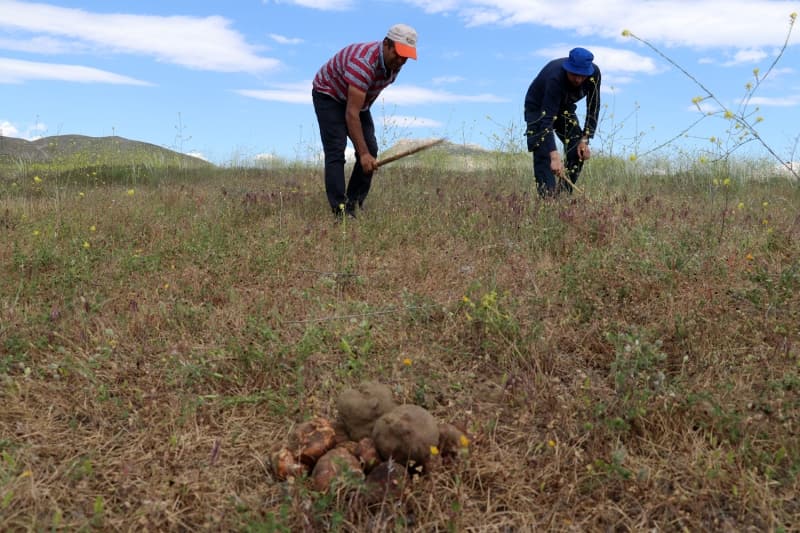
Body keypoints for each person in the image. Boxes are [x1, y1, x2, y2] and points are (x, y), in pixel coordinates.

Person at [312, 24, 418, 219]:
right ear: (386, 44)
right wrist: (362, 154)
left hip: (357, 99)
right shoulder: (363, 63)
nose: (402, 60)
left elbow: (364, 101)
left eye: (407, 56)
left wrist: (366, 152)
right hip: (329, 93)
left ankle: (353, 203)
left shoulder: (394, 65)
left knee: (371, 149)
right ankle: (340, 211)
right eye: (399, 53)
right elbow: (351, 114)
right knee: (336, 149)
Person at [524, 47, 601, 197]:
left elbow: (594, 106)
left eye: (582, 75)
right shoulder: (555, 77)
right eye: (574, 74)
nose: (578, 80)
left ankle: (563, 198)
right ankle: (548, 201)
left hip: (564, 107)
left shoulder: (594, 75)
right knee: (544, 152)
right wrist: (554, 155)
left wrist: (585, 138)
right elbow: (546, 121)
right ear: (567, 68)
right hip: (538, 108)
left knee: (577, 149)